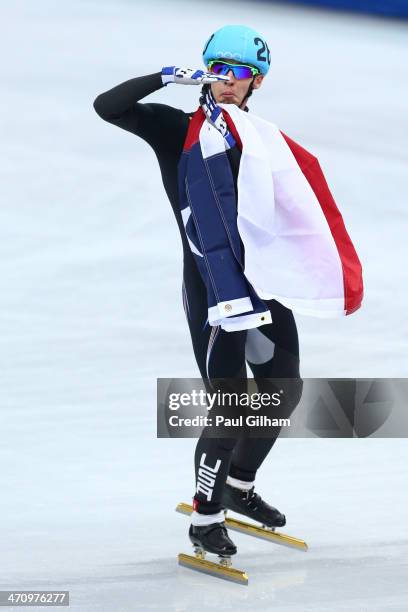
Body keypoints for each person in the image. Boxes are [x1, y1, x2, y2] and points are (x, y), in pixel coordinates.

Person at [94, 24, 362, 560]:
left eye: (239, 75)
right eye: (218, 70)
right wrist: (166, 77)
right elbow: (108, 106)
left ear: (256, 83)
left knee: (282, 392)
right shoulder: (178, 131)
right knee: (231, 408)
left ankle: (239, 488)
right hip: (215, 292)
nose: (227, 83)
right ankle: (205, 518)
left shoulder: (259, 140)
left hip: (263, 285)